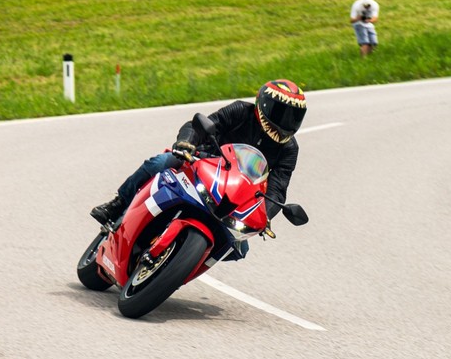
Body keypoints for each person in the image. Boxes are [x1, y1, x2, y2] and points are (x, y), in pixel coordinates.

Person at [90, 79, 307, 250]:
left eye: (293, 117)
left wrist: (266, 215)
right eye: (281, 113)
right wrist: (186, 143)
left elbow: (278, 188)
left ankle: (181, 260)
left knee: (239, 247)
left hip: (236, 193)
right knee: (163, 161)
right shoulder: (241, 111)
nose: (287, 122)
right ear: (265, 105)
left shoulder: (289, 149)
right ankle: (117, 204)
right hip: (204, 163)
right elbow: (201, 125)